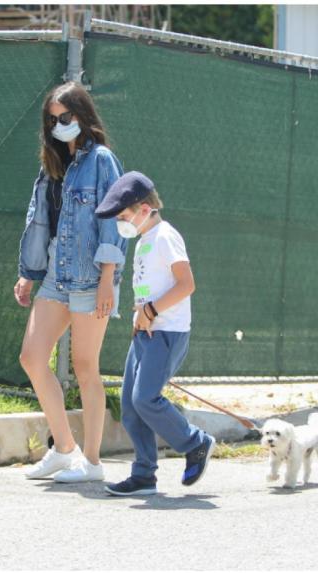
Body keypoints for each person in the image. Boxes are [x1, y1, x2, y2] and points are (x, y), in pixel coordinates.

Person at [15, 81, 127, 483]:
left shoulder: (102, 160)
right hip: (54, 274)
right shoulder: (53, 162)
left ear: (83, 115)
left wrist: (107, 280)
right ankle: (64, 449)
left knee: (85, 368)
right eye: (52, 120)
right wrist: (28, 274)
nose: (59, 125)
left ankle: (93, 464)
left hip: (91, 274)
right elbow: (40, 220)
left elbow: (114, 220)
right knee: (31, 357)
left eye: (66, 117)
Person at [94, 171, 216, 496]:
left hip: (167, 332)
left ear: (144, 208)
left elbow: (186, 284)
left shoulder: (165, 236)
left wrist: (151, 311)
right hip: (146, 333)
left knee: (145, 398)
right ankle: (144, 474)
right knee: (131, 407)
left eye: (124, 216)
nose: (122, 222)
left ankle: (196, 443)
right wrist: (141, 314)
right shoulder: (146, 240)